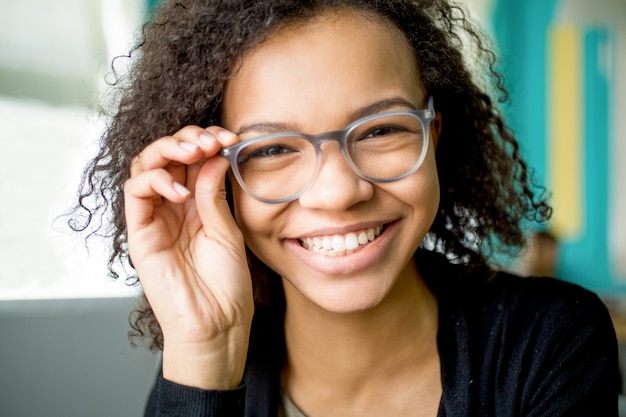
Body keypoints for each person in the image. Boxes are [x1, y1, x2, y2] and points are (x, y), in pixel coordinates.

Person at [70, 0, 618, 415]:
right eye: (272, 149)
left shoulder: (550, 339)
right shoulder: (204, 368)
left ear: (436, 140)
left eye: (380, 129)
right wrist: (204, 353)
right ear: (216, 180)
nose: (338, 192)